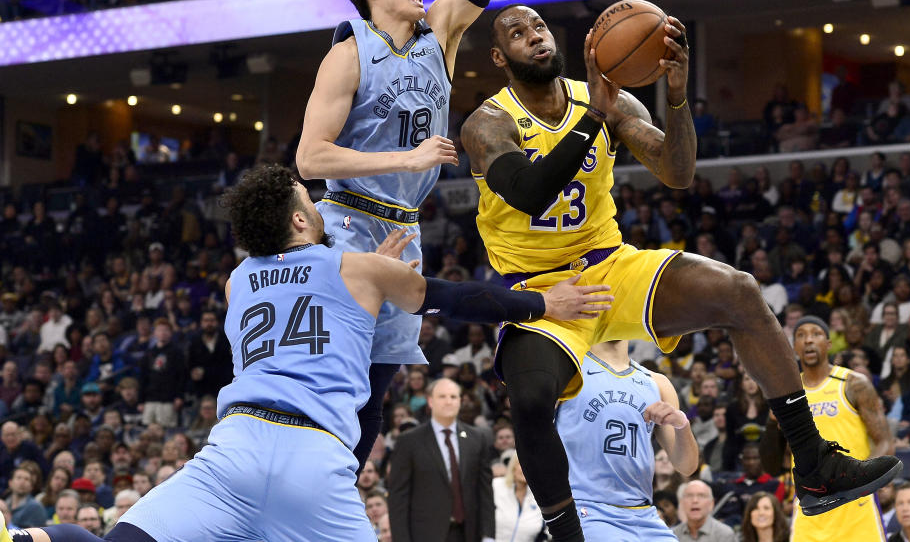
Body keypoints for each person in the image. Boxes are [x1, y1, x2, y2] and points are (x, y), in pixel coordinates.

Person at [460, 3, 901, 541]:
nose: (534, 37)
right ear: (498, 56)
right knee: (529, 400)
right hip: (540, 287)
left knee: (739, 291)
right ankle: (566, 531)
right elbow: (529, 194)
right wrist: (594, 118)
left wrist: (676, 96)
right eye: (517, 33)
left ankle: (812, 463)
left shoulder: (610, 99)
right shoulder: (488, 122)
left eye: (539, 27)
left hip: (609, 264)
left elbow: (678, 171)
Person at [0, 164, 609, 542]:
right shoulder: (356, 267)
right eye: (308, 196)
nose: (318, 201)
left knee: (124, 539)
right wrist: (540, 305)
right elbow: (452, 297)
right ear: (298, 216)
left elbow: (307, 299)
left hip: (233, 449)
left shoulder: (238, 281)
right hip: (312, 457)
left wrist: (366, 282)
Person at [295, 0, 550, 473]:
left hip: (404, 225)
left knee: (377, 394)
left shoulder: (440, 29)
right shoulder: (347, 52)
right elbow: (309, 157)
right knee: (339, 380)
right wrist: (407, 156)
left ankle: (337, 494)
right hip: (344, 222)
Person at [762, 315, 893, 542]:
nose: (808, 340)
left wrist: (861, 480)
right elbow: (772, 465)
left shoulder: (854, 383)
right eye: (801, 335)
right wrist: (773, 424)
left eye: (816, 334)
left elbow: (884, 441)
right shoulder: (787, 393)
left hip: (854, 505)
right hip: (811, 506)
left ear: (828, 344)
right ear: (794, 347)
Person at [553, 340, 696, 541]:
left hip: (644, 514)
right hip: (588, 511)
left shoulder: (657, 382)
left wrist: (683, 425)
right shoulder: (566, 370)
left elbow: (687, 466)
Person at [387, 378, 494, 542]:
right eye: (442, 396)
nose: (448, 401)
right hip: (424, 534)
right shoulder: (408, 441)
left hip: (469, 533)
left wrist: (489, 535)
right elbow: (398, 498)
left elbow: (485, 491)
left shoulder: (477, 438)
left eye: (453, 397)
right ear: (430, 401)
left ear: (460, 401)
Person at [492, 451, 542, 542]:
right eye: (521, 464)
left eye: (532, 466)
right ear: (513, 467)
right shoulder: (496, 486)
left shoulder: (541, 498)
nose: (526, 469)